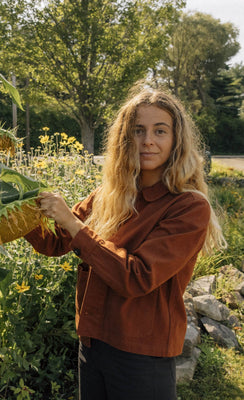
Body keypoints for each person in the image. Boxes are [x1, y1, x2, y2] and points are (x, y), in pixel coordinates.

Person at [25, 84, 226, 400]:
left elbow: (137, 277)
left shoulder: (187, 206)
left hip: (141, 357)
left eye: (160, 131)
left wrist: (71, 222)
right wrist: (13, 209)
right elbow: (55, 243)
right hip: (93, 345)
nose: (147, 140)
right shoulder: (110, 196)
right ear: (124, 138)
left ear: (176, 140)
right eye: (138, 130)